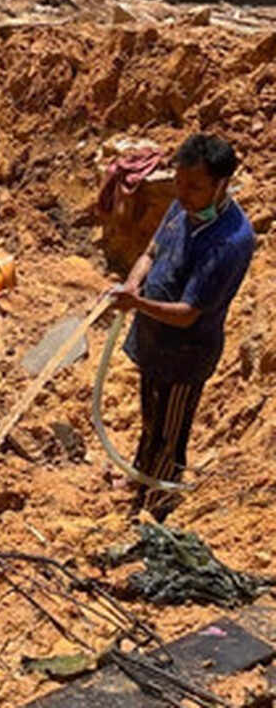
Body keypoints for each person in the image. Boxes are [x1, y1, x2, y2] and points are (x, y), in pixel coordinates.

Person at [113, 134, 254, 519]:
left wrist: (136, 304)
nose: (183, 192)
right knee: (149, 417)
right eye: (179, 181)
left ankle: (156, 504)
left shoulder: (228, 242)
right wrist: (132, 284)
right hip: (154, 340)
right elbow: (151, 252)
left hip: (185, 356)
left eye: (194, 186)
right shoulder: (182, 206)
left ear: (221, 185)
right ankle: (141, 476)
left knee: (170, 433)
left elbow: (188, 313)